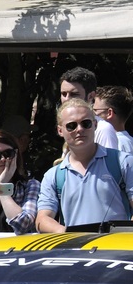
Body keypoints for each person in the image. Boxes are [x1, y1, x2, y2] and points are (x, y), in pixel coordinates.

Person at [36, 98, 133, 232]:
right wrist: (65, 232)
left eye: (86, 123)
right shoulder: (53, 175)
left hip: (115, 250)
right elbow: (42, 219)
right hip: (77, 251)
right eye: (71, 126)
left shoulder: (123, 162)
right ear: (60, 130)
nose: (79, 129)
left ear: (95, 125)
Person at [61, 65, 119, 150]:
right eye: (63, 94)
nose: (66, 99)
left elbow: (109, 162)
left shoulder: (103, 130)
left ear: (91, 96)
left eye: (74, 94)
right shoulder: (66, 126)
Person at [92, 85, 133, 155]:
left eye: (95, 110)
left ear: (109, 113)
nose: (93, 114)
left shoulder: (115, 142)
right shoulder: (130, 141)